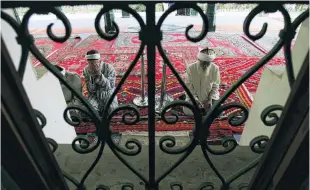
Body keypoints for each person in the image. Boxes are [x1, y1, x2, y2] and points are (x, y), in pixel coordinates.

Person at [183, 48, 220, 116]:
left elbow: (216, 85)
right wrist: (195, 99)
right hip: (194, 96)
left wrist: (209, 99)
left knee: (217, 112)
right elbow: (188, 86)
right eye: (203, 63)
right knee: (188, 112)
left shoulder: (215, 68)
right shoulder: (191, 68)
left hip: (209, 97)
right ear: (199, 60)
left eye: (207, 63)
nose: (205, 65)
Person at [83, 50, 118, 114]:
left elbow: (110, 86)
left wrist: (99, 75)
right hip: (94, 94)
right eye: (91, 63)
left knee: (112, 110)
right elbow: (90, 90)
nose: (93, 65)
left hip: (108, 92)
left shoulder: (109, 68)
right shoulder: (86, 70)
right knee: (91, 110)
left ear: (99, 60)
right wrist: (92, 77)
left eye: (95, 63)